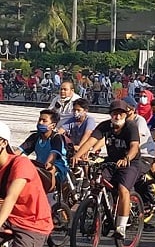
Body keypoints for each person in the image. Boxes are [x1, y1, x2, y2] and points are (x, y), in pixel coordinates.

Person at [73, 100, 143, 239]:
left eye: (120, 114)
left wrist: (127, 158)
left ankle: (121, 227)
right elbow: (91, 141)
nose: (117, 117)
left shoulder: (130, 126)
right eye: (115, 114)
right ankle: (102, 211)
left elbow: (135, 146)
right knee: (97, 182)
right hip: (111, 162)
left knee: (123, 189)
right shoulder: (105, 126)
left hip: (130, 163)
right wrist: (77, 156)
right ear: (110, 115)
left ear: (125, 114)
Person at [17, 110, 69, 191]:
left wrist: (49, 164)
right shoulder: (35, 137)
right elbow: (19, 151)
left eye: (44, 121)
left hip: (57, 167)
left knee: (51, 169)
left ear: (53, 125)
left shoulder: (56, 138)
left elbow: (53, 155)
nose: (40, 123)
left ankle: (48, 191)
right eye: (39, 120)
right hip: (40, 166)